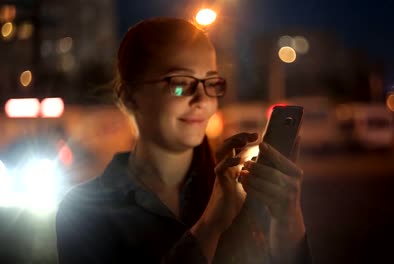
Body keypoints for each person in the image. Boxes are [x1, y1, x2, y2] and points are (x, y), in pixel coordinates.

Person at [56, 17, 311, 263]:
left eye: (211, 82)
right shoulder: (84, 211)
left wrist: (289, 226)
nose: (202, 100)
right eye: (180, 84)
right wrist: (210, 225)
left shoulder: (238, 191)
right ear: (129, 96)